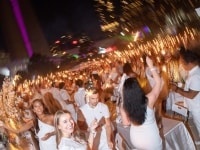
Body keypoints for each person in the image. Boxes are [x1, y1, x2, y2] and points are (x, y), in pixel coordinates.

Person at [121, 56, 163, 150]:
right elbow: (159, 82)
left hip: (136, 140)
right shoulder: (149, 99)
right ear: (138, 88)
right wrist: (151, 66)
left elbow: (126, 123)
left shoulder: (124, 106)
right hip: (152, 140)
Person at [170, 46, 200, 144]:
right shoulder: (193, 72)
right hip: (195, 106)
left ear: (189, 63)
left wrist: (177, 89)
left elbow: (191, 94)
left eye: (182, 63)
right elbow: (190, 87)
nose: (181, 65)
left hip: (198, 108)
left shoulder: (196, 75)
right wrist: (179, 85)